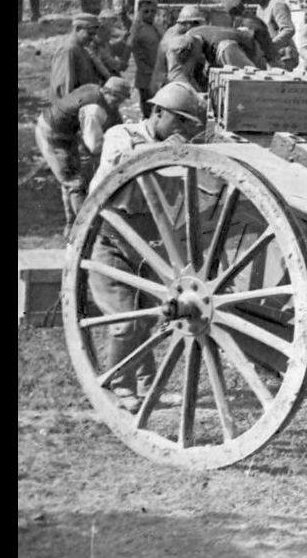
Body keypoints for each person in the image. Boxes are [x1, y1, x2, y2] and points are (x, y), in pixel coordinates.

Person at [85, 82, 206, 411]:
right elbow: (121, 164)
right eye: (178, 121)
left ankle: (147, 384)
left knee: (152, 317)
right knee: (127, 321)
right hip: (109, 238)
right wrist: (166, 150)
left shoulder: (175, 145)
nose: (182, 131)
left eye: (187, 125)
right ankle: (118, 385)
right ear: (157, 112)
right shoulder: (121, 135)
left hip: (150, 241)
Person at [34, 77, 132, 239]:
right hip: (51, 134)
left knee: (74, 179)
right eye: (118, 100)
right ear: (110, 94)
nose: (118, 105)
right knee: (74, 183)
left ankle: (72, 227)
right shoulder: (93, 110)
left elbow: (113, 118)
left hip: (66, 133)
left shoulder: (95, 89)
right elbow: (94, 146)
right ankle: (86, 228)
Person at [50, 14, 109, 100]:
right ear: (77, 29)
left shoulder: (83, 50)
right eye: (90, 34)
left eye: (94, 34)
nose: (93, 38)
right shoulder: (68, 50)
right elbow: (65, 88)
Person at [245, 0, 295, 68]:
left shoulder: (277, 4)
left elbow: (289, 29)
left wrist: (271, 46)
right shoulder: (260, 7)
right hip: (270, 56)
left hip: (284, 57)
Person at [126, 0, 162, 117]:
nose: (150, 14)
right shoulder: (137, 29)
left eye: (153, 11)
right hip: (146, 77)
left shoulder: (154, 28)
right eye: (146, 11)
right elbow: (129, 46)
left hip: (156, 74)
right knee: (149, 113)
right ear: (139, 12)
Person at [222, 0, 275, 67]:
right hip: (264, 57)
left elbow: (246, 38)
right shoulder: (250, 17)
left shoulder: (248, 22)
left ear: (232, 13)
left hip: (264, 59)